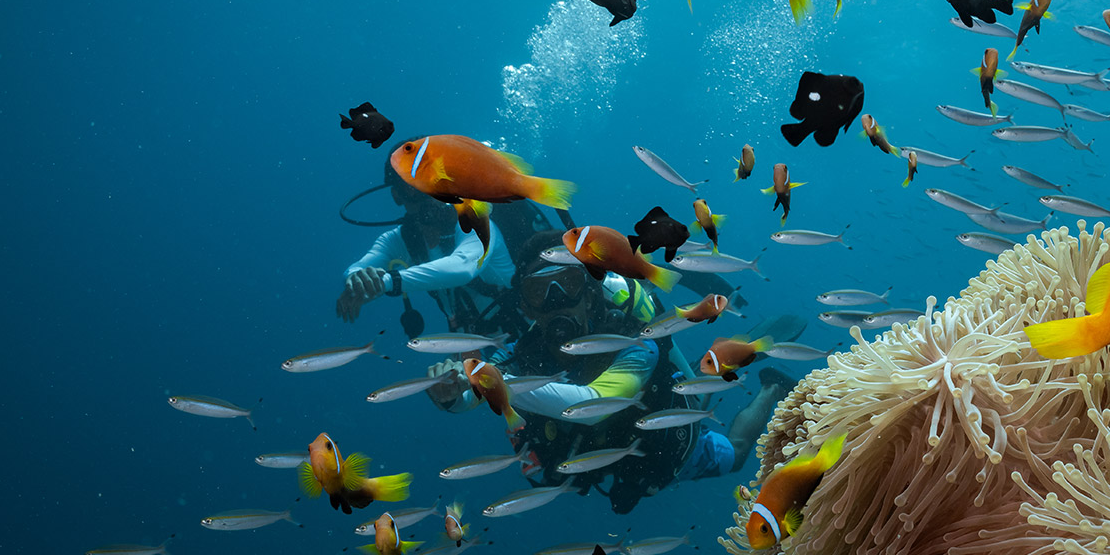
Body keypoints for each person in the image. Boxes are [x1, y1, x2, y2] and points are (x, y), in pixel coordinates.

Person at [425, 231, 783, 513]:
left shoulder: (633, 341)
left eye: (568, 283)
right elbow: (470, 395)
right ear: (526, 307)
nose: (556, 301)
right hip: (603, 459)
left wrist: (492, 382)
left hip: (668, 446)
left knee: (734, 455)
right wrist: (452, 392)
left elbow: (597, 404)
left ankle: (768, 387)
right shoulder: (522, 352)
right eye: (539, 291)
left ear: (591, 291)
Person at [335, 165, 539, 338]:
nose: (428, 195)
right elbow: (360, 266)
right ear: (397, 195)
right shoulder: (400, 240)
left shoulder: (476, 218)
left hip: (541, 334)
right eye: (413, 187)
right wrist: (356, 279)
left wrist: (387, 282)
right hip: (489, 347)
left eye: (435, 183)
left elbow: (463, 267)